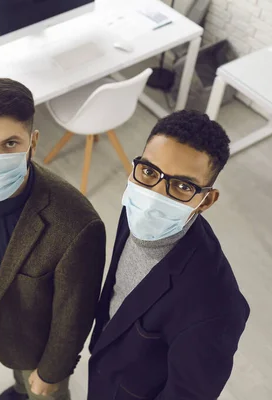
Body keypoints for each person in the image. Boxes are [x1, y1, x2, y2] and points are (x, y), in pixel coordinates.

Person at [0, 78, 106, 400]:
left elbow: (73, 317)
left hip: (37, 347)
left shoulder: (76, 225)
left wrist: (51, 373)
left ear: (32, 141)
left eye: (9, 144)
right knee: (19, 379)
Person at [88, 110, 250, 399]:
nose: (154, 196)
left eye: (182, 186)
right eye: (150, 171)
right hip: (105, 368)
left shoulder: (217, 307)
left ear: (206, 200)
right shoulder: (134, 208)